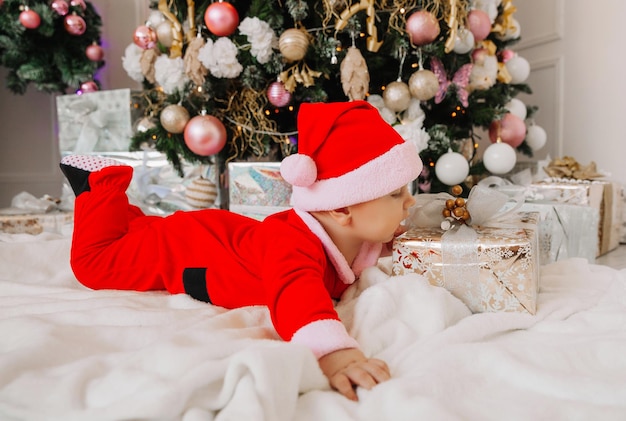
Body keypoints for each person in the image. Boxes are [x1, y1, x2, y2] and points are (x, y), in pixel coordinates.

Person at [59, 100, 423, 401]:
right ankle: (100, 183)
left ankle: (123, 216)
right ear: (341, 209)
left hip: (213, 235)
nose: (409, 203)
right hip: (184, 250)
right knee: (95, 264)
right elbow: (296, 294)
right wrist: (335, 354)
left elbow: (383, 243)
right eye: (396, 194)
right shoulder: (295, 246)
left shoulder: (350, 233)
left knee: (135, 236)